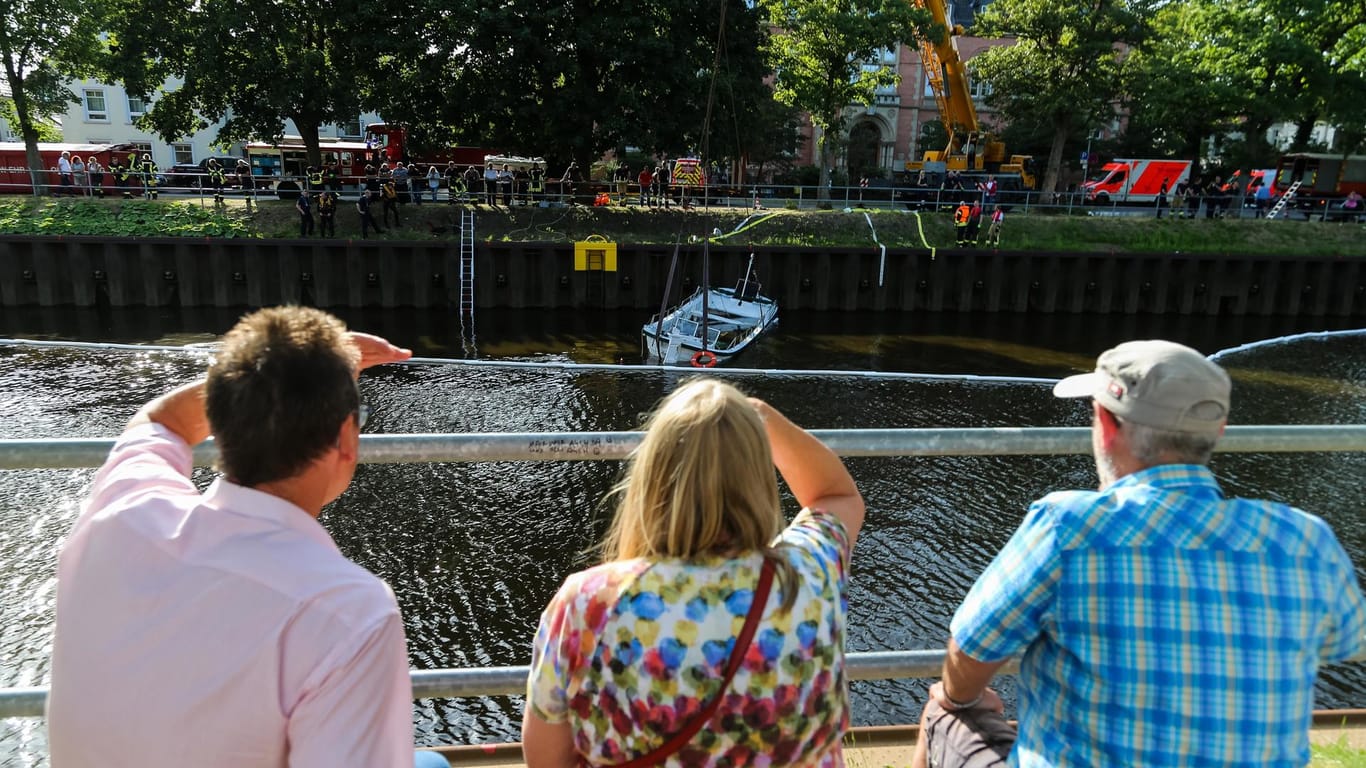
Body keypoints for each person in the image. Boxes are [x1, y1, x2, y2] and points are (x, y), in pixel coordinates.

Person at [912, 340, 1366, 768]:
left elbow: (970, 651)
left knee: (942, 714)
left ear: (1106, 424)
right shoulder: (1307, 541)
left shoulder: (1069, 527)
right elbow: (1346, 642)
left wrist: (958, 699)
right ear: (1218, 430)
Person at [44, 307, 431, 767]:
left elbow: (160, 421)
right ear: (347, 438)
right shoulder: (349, 612)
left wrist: (255, 385)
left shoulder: (124, 512)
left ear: (220, 422)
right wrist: (313, 375)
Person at [524, 378, 864, 768]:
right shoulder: (812, 571)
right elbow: (836, 494)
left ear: (652, 476)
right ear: (757, 477)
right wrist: (757, 417)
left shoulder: (590, 602)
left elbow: (546, 759)